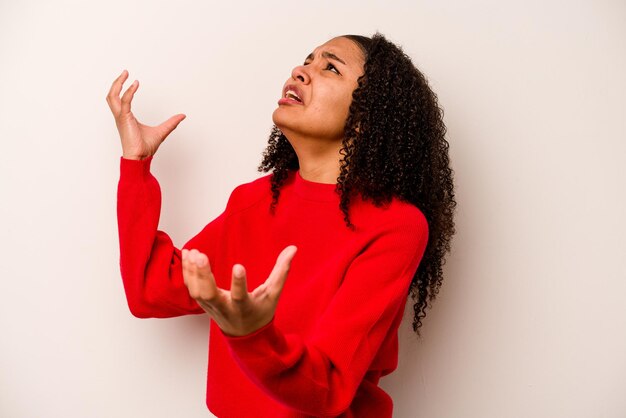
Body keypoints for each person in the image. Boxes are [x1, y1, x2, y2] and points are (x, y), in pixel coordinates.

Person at [107, 33, 456, 418]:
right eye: (307, 59)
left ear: (369, 115)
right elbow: (150, 290)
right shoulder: (255, 200)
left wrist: (251, 334)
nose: (301, 71)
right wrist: (135, 165)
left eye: (330, 67)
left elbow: (328, 388)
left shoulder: (396, 226)